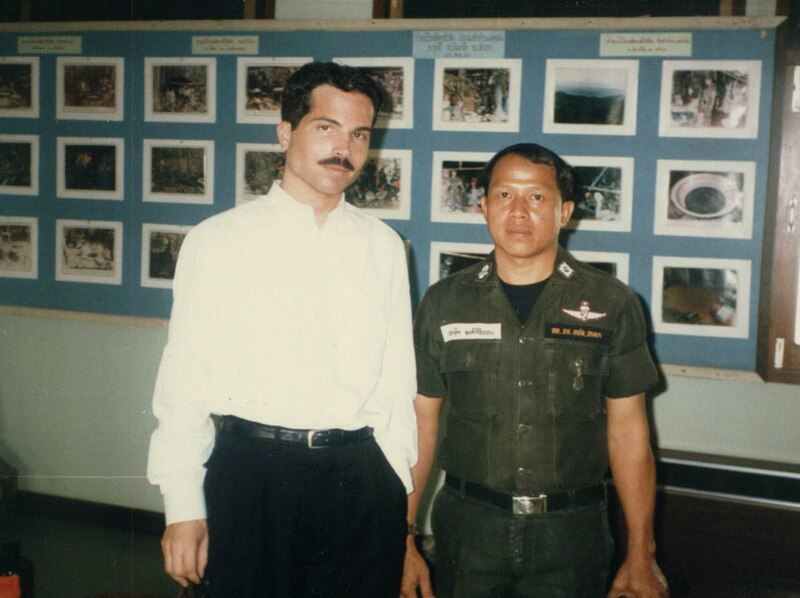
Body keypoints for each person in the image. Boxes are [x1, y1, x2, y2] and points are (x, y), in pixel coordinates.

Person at [147, 61, 418, 597]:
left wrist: (398, 505)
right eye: (326, 127)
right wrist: (182, 508)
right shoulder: (219, 240)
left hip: (359, 481)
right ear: (285, 132)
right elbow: (182, 388)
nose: (344, 148)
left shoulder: (384, 246)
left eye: (359, 133)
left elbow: (396, 385)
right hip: (251, 477)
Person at [401, 143, 669, 598]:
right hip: (469, 532)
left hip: (571, 537)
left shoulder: (612, 303)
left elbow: (629, 435)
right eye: (504, 195)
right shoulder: (442, 303)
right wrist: (403, 538)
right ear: (483, 206)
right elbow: (419, 425)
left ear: (565, 212)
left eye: (537, 198)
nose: (519, 211)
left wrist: (641, 552)